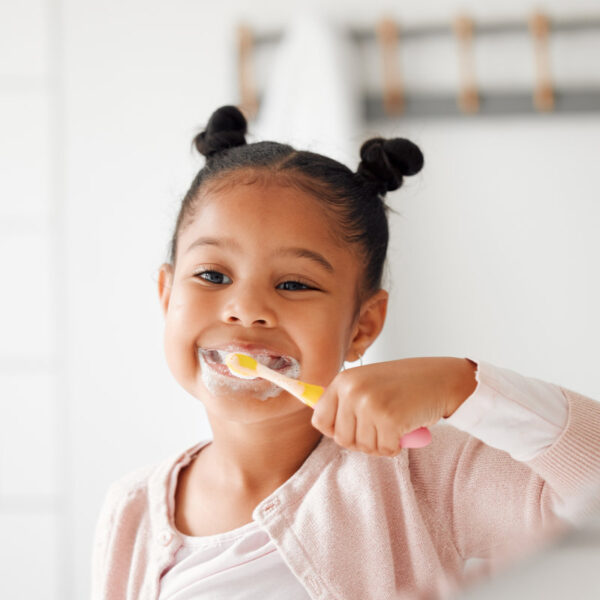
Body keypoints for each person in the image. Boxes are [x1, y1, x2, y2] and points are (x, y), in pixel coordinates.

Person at [90, 105, 600, 600]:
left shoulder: (423, 476)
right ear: (166, 294)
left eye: (293, 283)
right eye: (212, 276)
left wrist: (460, 386)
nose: (246, 309)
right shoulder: (130, 511)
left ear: (363, 325)